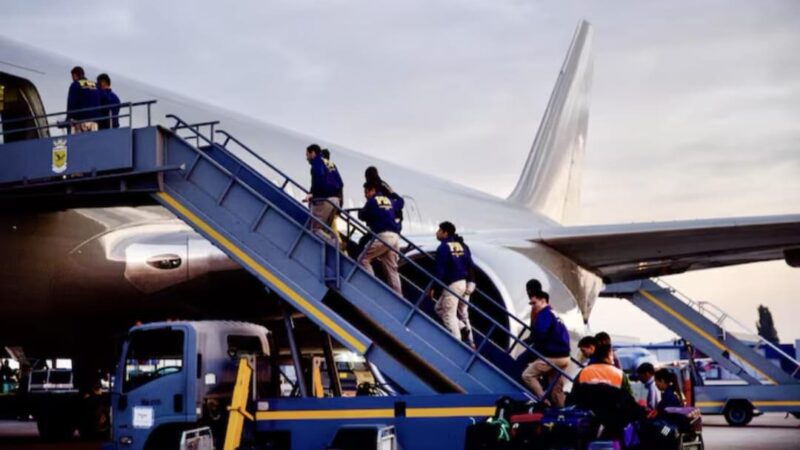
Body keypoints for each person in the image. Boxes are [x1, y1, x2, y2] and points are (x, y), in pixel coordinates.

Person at [520, 279, 571, 407]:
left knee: (527, 375)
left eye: (534, 303)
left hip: (553, 357)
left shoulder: (544, 314)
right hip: (565, 357)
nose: (533, 306)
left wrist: (532, 343)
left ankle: (544, 401)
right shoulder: (553, 313)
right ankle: (563, 413)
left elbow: (540, 333)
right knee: (556, 390)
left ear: (542, 301)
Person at [428, 222, 476, 346]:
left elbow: (439, 271)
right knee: (439, 308)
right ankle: (462, 327)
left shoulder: (444, 247)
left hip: (452, 284)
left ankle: (458, 345)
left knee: (449, 316)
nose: (437, 232)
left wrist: (433, 287)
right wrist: (471, 281)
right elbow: (469, 264)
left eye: (439, 230)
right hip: (462, 282)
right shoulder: (460, 246)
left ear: (445, 233)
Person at [357, 181, 402, 293]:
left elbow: (362, 215)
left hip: (384, 235)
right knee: (392, 269)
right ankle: (398, 296)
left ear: (372, 190)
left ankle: (372, 287)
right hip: (395, 236)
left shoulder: (372, 201)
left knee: (363, 259)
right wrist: (393, 193)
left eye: (366, 191)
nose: (365, 195)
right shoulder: (390, 200)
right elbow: (401, 202)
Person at [304, 144, 344, 242]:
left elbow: (319, 177)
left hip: (325, 199)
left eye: (307, 155)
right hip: (336, 201)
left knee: (315, 229)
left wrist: (313, 194)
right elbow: (341, 183)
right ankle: (336, 242)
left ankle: (334, 244)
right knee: (326, 228)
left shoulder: (317, 162)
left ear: (313, 153)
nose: (307, 158)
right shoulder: (330, 164)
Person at [453, 232, 477, 347]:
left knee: (445, 309)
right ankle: (471, 341)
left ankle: (462, 328)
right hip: (471, 282)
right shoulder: (466, 248)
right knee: (463, 313)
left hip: (463, 281)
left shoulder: (456, 248)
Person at [365, 166, 404, 231]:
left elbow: (397, 199)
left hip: (391, 217)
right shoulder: (380, 184)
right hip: (388, 217)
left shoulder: (380, 185)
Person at [66, 66, 101, 133]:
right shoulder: (95, 85)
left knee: (79, 142)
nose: (72, 79)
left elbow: (71, 103)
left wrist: (68, 119)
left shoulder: (75, 85)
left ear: (75, 75)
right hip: (94, 122)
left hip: (80, 122)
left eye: (72, 76)